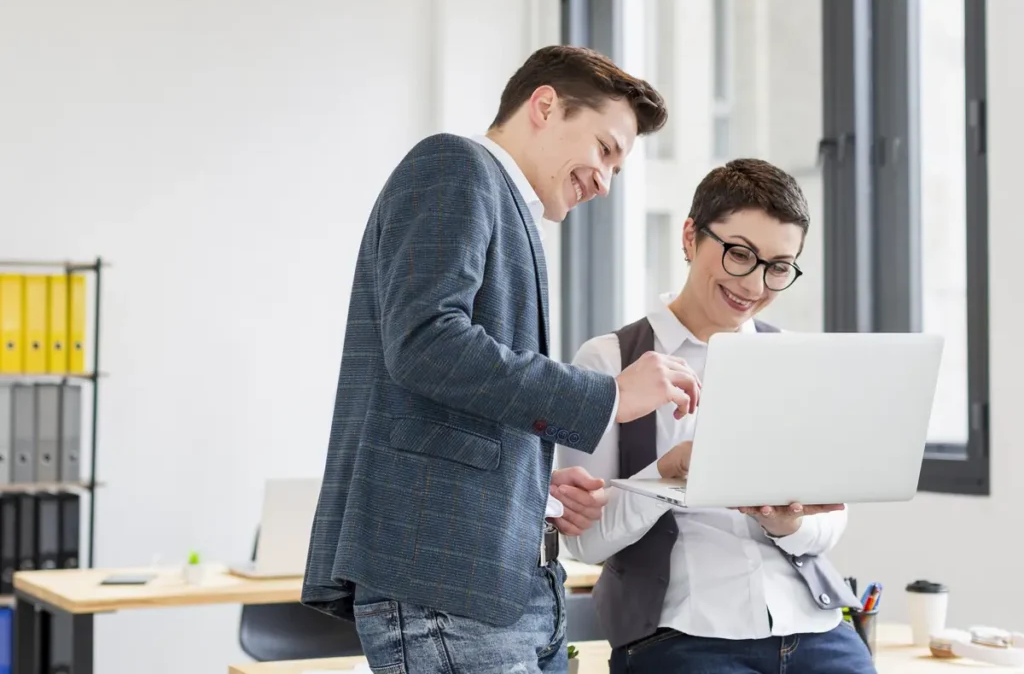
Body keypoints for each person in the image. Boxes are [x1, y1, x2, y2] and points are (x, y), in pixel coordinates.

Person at [302, 46, 703, 674]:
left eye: (617, 170)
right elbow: (427, 343)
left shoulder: (505, 203)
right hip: (447, 576)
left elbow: (455, 401)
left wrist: (530, 487)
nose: (603, 180)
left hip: (504, 586)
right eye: (603, 149)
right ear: (545, 105)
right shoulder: (454, 165)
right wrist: (612, 397)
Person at [557, 159, 877, 674]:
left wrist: (788, 523)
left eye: (777, 266)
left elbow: (832, 519)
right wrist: (668, 471)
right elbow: (585, 541)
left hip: (815, 628)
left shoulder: (794, 358)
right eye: (739, 254)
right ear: (690, 237)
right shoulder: (609, 361)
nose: (754, 284)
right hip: (683, 635)